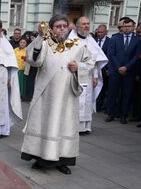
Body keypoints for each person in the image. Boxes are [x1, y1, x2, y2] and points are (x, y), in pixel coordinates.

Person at [21, 15, 95, 174]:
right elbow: (34, 60)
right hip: (46, 93)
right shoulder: (45, 43)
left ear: (69, 28)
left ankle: (63, 160)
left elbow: (90, 63)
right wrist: (40, 37)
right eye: (57, 26)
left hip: (67, 95)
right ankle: (40, 159)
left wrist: (78, 67)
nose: (61, 29)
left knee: (64, 126)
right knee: (43, 124)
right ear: (52, 28)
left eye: (64, 26)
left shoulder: (77, 45)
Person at [69, 17, 108, 133]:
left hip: (89, 75)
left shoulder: (91, 40)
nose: (86, 26)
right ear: (77, 26)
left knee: (87, 100)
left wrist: (96, 76)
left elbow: (95, 60)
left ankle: (85, 127)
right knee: (77, 100)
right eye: (83, 24)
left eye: (88, 24)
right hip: (75, 75)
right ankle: (74, 127)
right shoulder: (71, 39)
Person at [106, 18, 140, 124]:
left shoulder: (137, 40)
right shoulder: (115, 38)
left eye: (129, 26)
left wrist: (127, 67)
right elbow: (111, 54)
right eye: (125, 26)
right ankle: (110, 114)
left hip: (129, 72)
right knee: (112, 93)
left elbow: (137, 56)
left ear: (133, 27)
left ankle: (123, 115)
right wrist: (119, 67)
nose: (126, 28)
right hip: (115, 71)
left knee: (127, 94)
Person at [94, 24, 110, 112]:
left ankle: (99, 106)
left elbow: (110, 56)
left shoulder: (110, 41)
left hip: (104, 69)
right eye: (98, 32)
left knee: (103, 88)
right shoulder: (93, 40)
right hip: (94, 68)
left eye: (101, 32)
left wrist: (107, 69)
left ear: (106, 32)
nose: (99, 34)